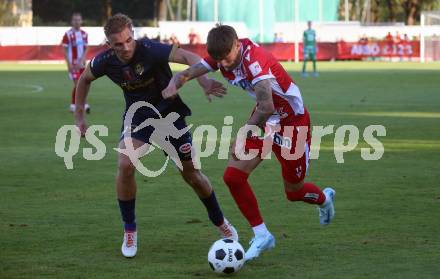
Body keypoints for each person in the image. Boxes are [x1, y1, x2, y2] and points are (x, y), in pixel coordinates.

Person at [162, 24, 335, 261]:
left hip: (292, 124)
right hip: (265, 122)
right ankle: (262, 234)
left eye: (226, 58)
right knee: (233, 177)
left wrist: (243, 133)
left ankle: (324, 200)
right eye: (218, 60)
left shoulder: (255, 62)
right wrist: (174, 84)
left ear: (236, 45)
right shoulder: (223, 53)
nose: (222, 64)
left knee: (293, 191)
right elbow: (186, 73)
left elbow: (267, 106)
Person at [74, 14, 237, 258]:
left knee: (191, 174)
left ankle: (220, 220)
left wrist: (203, 81)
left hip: (170, 116)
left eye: (129, 40)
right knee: (125, 163)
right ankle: (130, 229)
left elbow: (189, 57)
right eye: (118, 44)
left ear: (133, 35)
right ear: (109, 44)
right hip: (138, 118)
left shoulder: (151, 50)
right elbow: (84, 80)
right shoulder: (104, 61)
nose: (126, 47)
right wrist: (79, 118)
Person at [62, 12, 90, 113]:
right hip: (73, 65)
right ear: (72, 21)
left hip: (82, 65)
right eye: (75, 20)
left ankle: (81, 104)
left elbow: (86, 48)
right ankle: (75, 104)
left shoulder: (84, 34)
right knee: (78, 84)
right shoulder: (68, 34)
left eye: (78, 20)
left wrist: (82, 60)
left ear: (81, 21)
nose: (77, 22)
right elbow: (64, 50)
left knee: (85, 84)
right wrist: (68, 64)